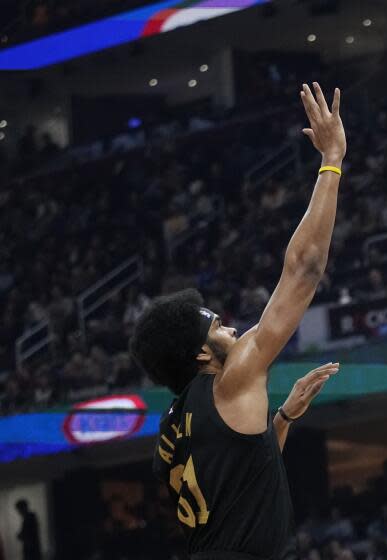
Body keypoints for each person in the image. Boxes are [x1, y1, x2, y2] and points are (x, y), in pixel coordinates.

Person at [130, 82, 346, 559]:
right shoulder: (232, 379)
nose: (229, 325)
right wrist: (331, 160)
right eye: (216, 325)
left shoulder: (170, 432)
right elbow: (304, 269)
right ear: (202, 354)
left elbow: (243, 480)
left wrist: (284, 418)